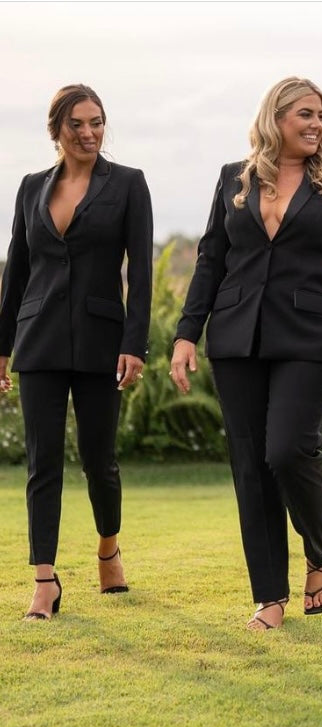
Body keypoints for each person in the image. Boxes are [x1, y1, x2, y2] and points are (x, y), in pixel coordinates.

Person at [170, 77, 322, 631]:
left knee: (287, 449)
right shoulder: (232, 179)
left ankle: (318, 551)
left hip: (309, 338)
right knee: (250, 464)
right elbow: (211, 259)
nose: (316, 125)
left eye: (321, 116)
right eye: (305, 114)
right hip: (237, 337)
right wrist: (187, 334)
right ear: (276, 118)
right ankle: (269, 596)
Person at [0, 84, 152, 620]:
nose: (88, 133)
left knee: (98, 458)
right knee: (41, 462)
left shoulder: (129, 184)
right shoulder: (30, 188)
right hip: (37, 337)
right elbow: (17, 269)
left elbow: (142, 270)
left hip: (101, 340)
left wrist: (135, 343)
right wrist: (2, 347)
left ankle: (108, 547)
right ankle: (45, 579)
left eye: (97, 123)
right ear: (56, 132)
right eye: (77, 125)